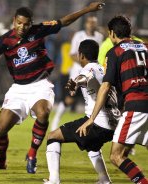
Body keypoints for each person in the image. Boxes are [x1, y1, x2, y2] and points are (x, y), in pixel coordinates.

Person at [0, 2, 105, 174]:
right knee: (1, 129)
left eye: (26, 24)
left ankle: (32, 154)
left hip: (40, 85)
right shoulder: (5, 40)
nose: (22, 27)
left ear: (31, 23)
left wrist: (88, 9)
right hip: (18, 89)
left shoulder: (39, 30)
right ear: (14, 21)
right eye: (19, 23)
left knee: (43, 113)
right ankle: (1, 162)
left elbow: (64, 21)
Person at [77, 16, 148, 184]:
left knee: (116, 156)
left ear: (111, 33)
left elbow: (106, 86)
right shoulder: (145, 47)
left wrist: (92, 119)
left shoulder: (115, 52)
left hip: (136, 105)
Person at [44, 39, 120, 184]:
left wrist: (76, 82)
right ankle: (104, 180)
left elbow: (85, 77)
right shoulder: (104, 68)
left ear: (81, 56)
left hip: (98, 123)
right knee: (92, 146)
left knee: (53, 136)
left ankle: (54, 180)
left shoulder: (87, 68)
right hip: (114, 124)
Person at [51, 16, 104, 131]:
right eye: (89, 22)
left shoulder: (99, 37)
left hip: (93, 73)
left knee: (94, 98)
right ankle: (56, 119)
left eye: (93, 23)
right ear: (85, 24)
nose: (91, 24)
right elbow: (72, 54)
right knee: (70, 98)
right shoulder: (78, 35)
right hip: (77, 73)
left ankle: (95, 125)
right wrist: (85, 65)